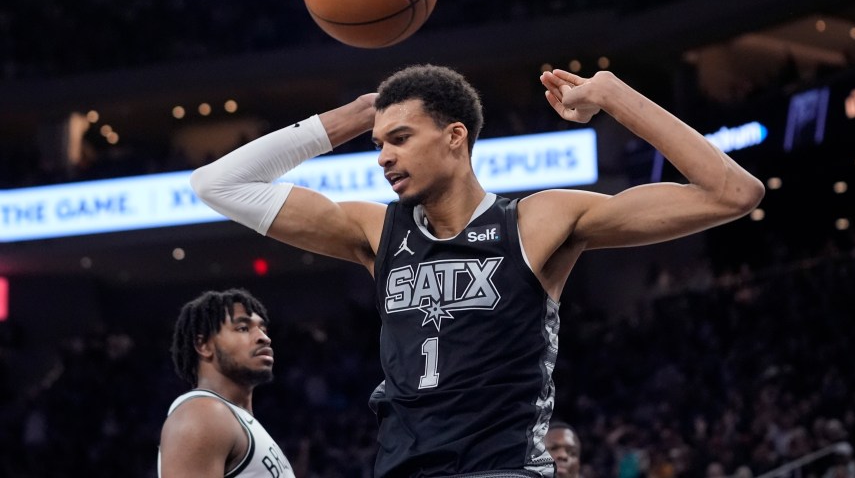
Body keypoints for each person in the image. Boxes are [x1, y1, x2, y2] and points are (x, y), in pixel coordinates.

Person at [191, 65, 765, 477]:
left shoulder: (538, 221)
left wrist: (613, 96)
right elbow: (216, 185)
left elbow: (733, 193)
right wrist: (350, 117)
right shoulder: (375, 231)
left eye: (400, 138)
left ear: (455, 138)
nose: (383, 156)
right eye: (376, 143)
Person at [158, 288, 295, 478]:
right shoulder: (202, 415)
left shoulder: (235, 419)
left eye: (262, 329)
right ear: (203, 345)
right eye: (243, 328)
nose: (264, 338)